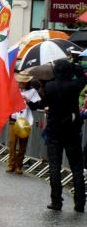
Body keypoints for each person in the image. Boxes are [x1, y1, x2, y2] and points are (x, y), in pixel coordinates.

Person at [42, 59, 87, 212]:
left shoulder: (49, 86)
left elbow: (44, 103)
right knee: (76, 167)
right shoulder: (75, 86)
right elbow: (83, 77)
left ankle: (56, 201)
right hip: (72, 131)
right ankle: (80, 202)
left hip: (54, 131)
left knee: (54, 167)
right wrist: (76, 68)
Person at [6, 72, 41, 175]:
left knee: (22, 144)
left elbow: (35, 107)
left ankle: (19, 165)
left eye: (23, 82)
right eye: (20, 81)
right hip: (14, 119)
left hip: (25, 121)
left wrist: (28, 100)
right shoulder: (14, 90)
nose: (21, 83)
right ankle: (10, 164)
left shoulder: (33, 91)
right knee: (12, 143)